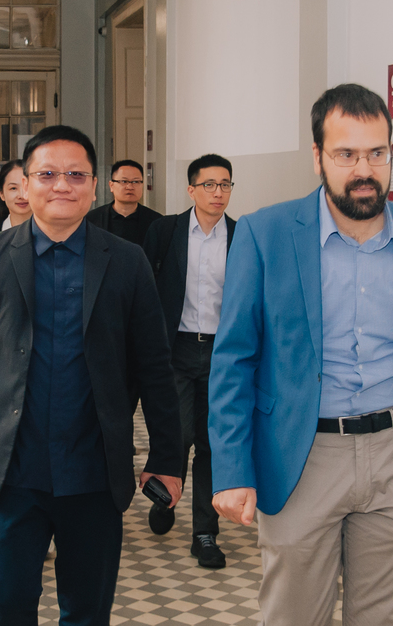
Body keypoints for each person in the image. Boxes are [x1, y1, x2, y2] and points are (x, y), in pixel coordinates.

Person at [209, 84, 393, 626]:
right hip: (301, 454)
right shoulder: (266, 234)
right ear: (318, 157)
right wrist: (231, 469)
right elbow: (234, 361)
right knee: (293, 618)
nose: (365, 169)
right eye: (346, 154)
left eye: (377, 153)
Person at [0, 125, 184, 626]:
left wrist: (166, 458)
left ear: (94, 186)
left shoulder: (128, 262)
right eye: (47, 174)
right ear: (25, 184)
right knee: (4, 606)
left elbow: (156, 368)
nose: (62, 186)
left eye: (76, 175)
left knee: (88, 612)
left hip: (93, 474)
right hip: (10, 475)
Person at [141, 154, 237, 568]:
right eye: (209, 184)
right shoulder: (165, 231)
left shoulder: (241, 236)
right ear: (191, 189)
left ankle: (205, 534)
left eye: (225, 184)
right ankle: (164, 498)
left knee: (211, 442)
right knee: (177, 435)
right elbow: (144, 290)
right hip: (176, 349)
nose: (218, 192)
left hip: (221, 352)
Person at [86, 160, 162, 245]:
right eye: (124, 181)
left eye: (135, 182)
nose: (130, 187)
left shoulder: (157, 221)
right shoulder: (91, 219)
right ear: (111, 185)